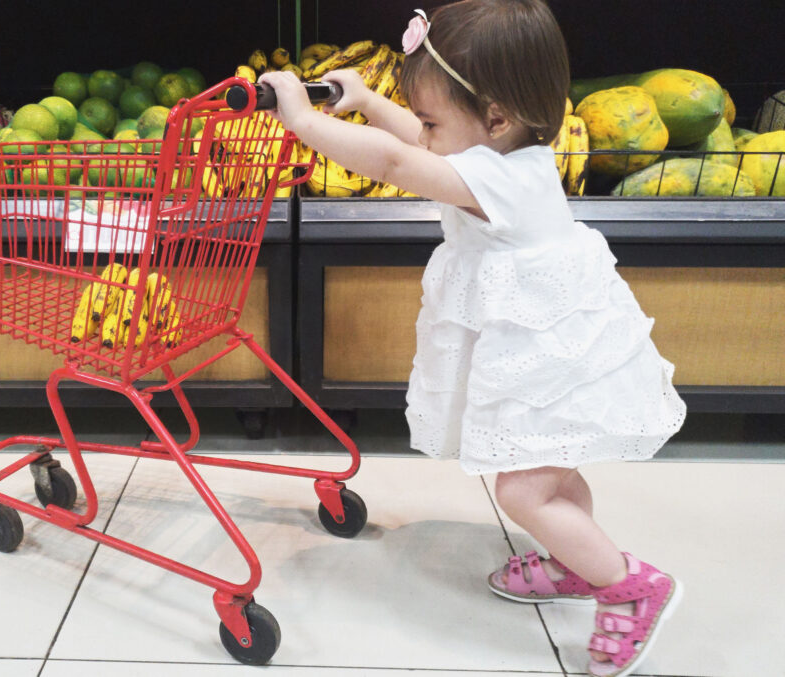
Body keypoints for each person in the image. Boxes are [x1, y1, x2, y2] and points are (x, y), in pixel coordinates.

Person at [258, 1, 686, 675]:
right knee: (551, 467)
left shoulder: (490, 178)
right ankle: (571, 559)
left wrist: (305, 121)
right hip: (549, 340)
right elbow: (423, 143)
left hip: (541, 344)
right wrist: (368, 98)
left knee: (522, 489)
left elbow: (401, 163)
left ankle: (628, 585)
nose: (424, 129)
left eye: (433, 116)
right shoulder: (511, 153)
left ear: (495, 117)